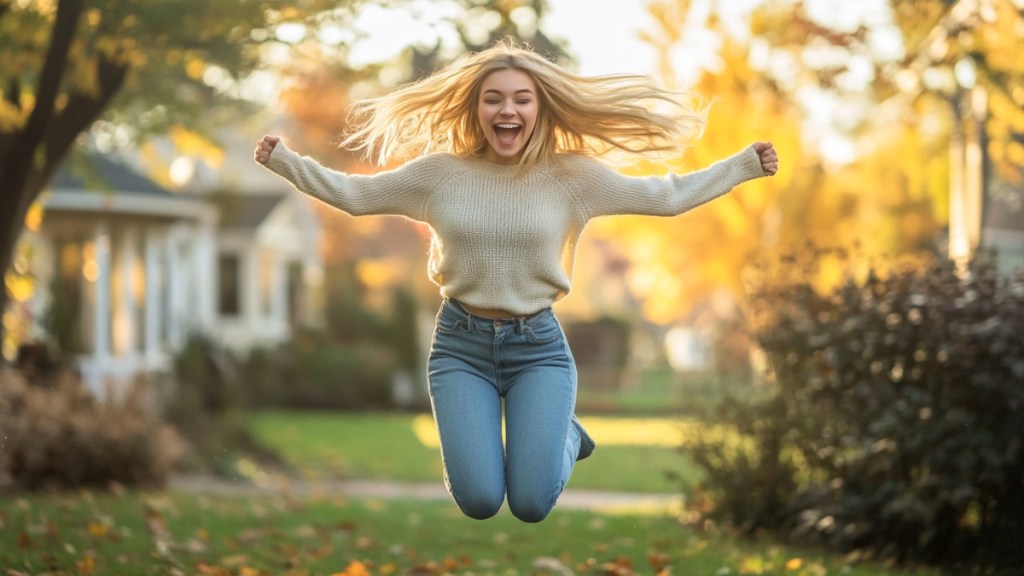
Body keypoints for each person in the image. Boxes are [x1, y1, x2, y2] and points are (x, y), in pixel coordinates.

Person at [254, 39, 779, 523]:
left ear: (540, 109)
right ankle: (543, 439)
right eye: (493, 99)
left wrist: (742, 166)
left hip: (539, 349)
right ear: (475, 108)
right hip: (461, 347)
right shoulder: (439, 174)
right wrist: (285, 161)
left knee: (530, 504)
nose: (508, 110)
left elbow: (665, 197)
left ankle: (566, 437)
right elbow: (354, 195)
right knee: (480, 501)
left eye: (522, 99)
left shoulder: (573, 177)